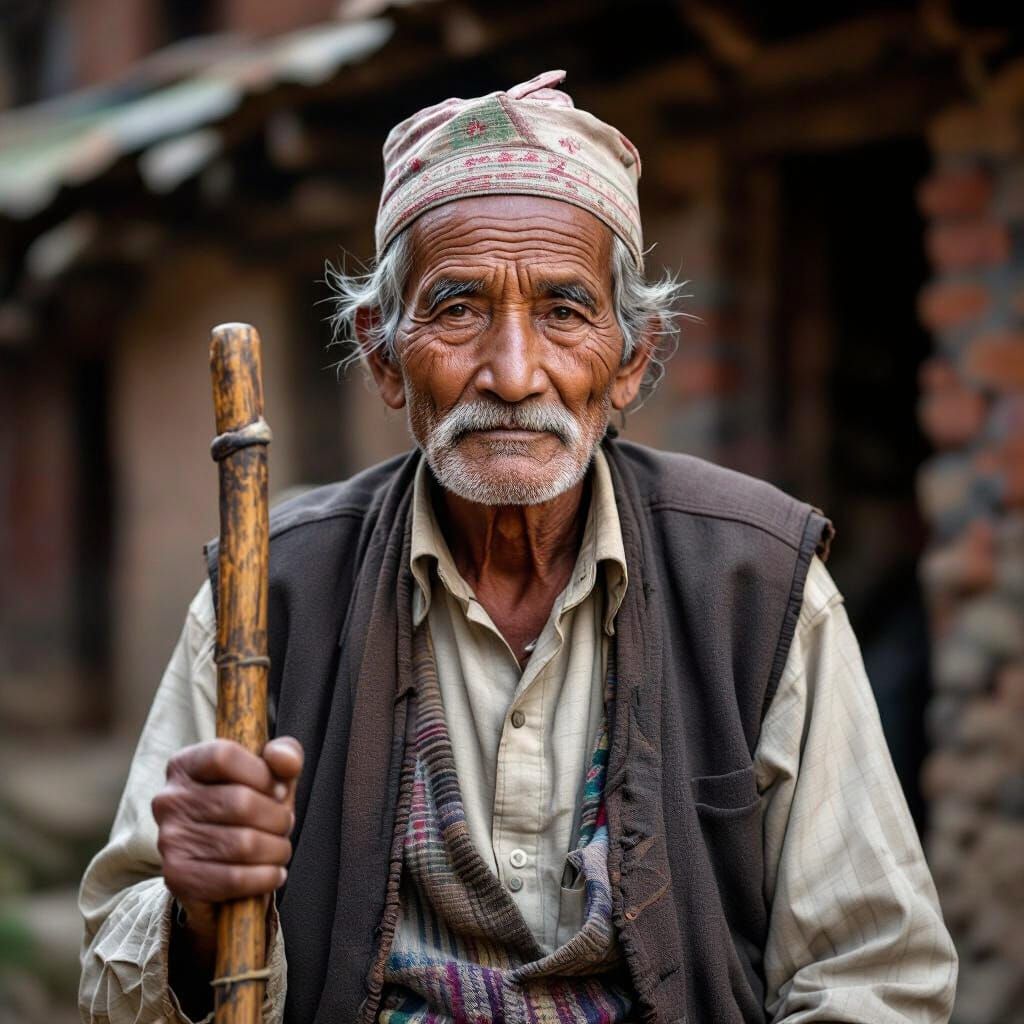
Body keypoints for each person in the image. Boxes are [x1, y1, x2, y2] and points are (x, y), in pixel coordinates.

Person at [79, 70, 957, 1023]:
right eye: (457, 310)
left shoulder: (757, 584)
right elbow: (113, 974)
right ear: (382, 354)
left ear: (630, 359)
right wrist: (198, 912)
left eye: (564, 311)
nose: (510, 371)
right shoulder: (272, 591)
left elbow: (875, 975)